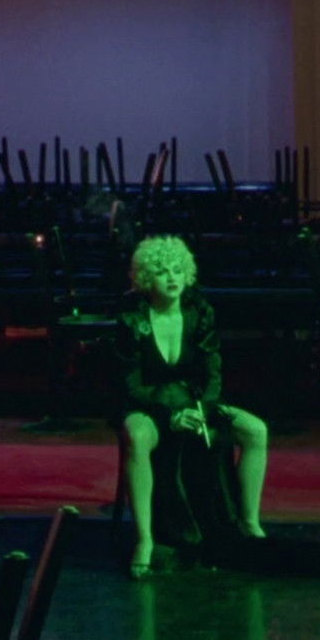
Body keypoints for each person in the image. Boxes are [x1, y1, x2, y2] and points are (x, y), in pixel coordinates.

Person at [115, 235, 269, 578]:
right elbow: (130, 383)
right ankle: (145, 539)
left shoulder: (200, 310)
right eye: (162, 271)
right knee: (137, 436)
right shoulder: (130, 317)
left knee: (256, 430)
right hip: (149, 403)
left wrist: (202, 409)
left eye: (177, 270)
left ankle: (249, 522)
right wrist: (170, 415)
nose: (172, 278)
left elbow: (213, 372)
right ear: (146, 278)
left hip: (192, 400)